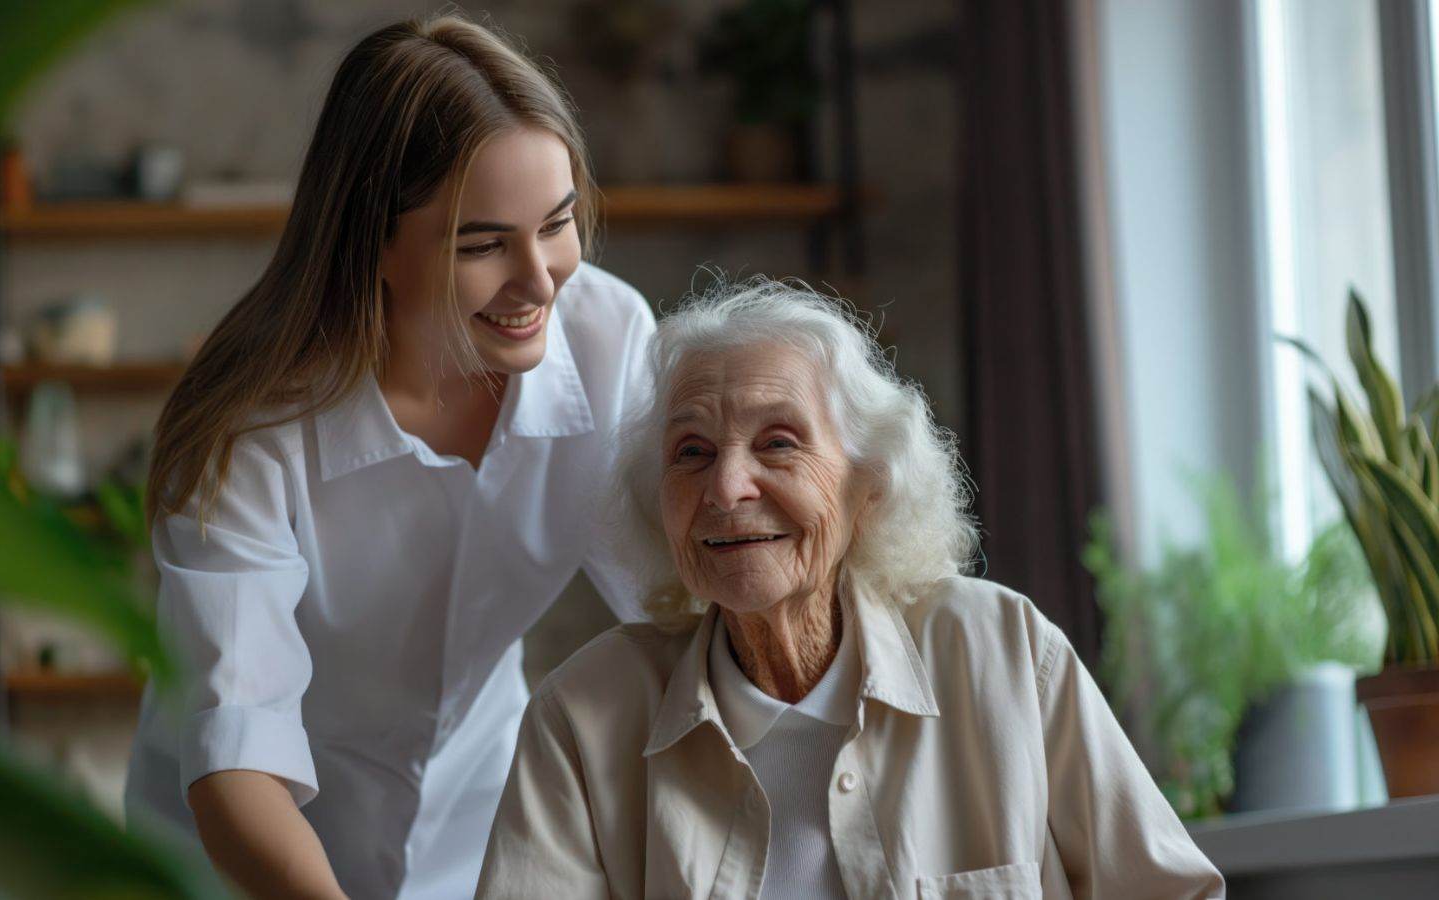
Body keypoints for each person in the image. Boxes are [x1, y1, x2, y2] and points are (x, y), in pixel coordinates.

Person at [123, 15, 654, 899]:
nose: (541, 279)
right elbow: (236, 759)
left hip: (475, 825)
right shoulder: (250, 430)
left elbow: (681, 614)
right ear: (373, 240)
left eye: (557, 225)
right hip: (240, 857)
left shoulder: (607, 340)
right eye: (482, 244)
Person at [476, 278, 1224, 899]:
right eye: (692, 452)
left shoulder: (1004, 655)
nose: (728, 486)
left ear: (868, 485)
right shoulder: (584, 719)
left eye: (778, 442)